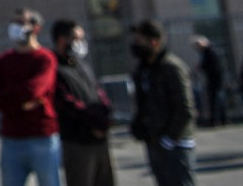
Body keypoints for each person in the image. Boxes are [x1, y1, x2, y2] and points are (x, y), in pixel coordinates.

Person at [0, 7, 60, 186]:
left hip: (43, 137)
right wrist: (22, 102)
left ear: (36, 28)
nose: (15, 27)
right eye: (13, 22)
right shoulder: (4, 60)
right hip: (11, 138)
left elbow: (34, 90)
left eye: (21, 22)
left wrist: (10, 97)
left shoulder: (45, 58)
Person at [129, 20, 195, 186]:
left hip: (175, 144)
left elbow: (185, 109)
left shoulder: (171, 67)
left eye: (139, 41)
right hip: (155, 142)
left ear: (154, 42)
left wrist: (168, 139)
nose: (135, 45)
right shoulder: (143, 70)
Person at [51, 19, 114, 186]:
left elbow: (98, 93)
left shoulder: (82, 66)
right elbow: (67, 103)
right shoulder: (53, 68)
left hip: (99, 140)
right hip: (77, 141)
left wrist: (105, 117)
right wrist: (94, 121)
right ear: (62, 40)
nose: (80, 43)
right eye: (76, 38)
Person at [191, 35, 226, 126]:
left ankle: (217, 120)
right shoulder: (209, 52)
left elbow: (211, 67)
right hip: (214, 80)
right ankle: (219, 119)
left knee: (215, 100)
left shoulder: (209, 52)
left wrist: (201, 67)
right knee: (216, 100)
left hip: (214, 80)